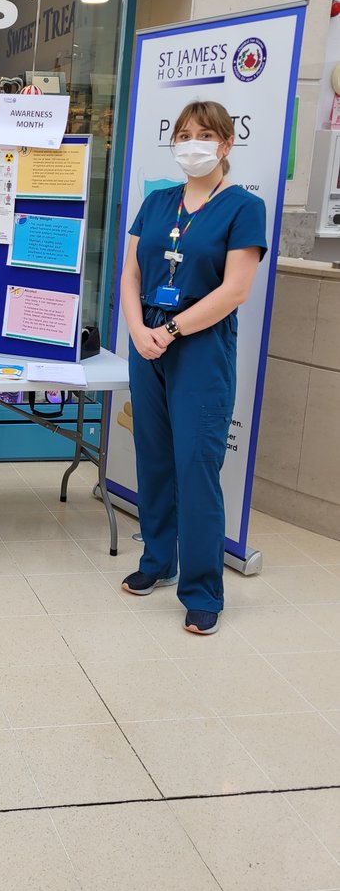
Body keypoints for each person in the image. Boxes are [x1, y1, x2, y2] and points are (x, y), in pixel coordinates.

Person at [119, 101, 267, 635]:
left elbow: (235, 290)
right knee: (154, 457)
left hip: (199, 345)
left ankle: (203, 590)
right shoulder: (157, 202)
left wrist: (172, 330)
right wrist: (138, 330)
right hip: (147, 341)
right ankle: (158, 560)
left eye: (204, 135)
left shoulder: (243, 207)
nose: (191, 144)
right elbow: (131, 274)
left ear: (226, 143)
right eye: (183, 135)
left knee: (197, 466)